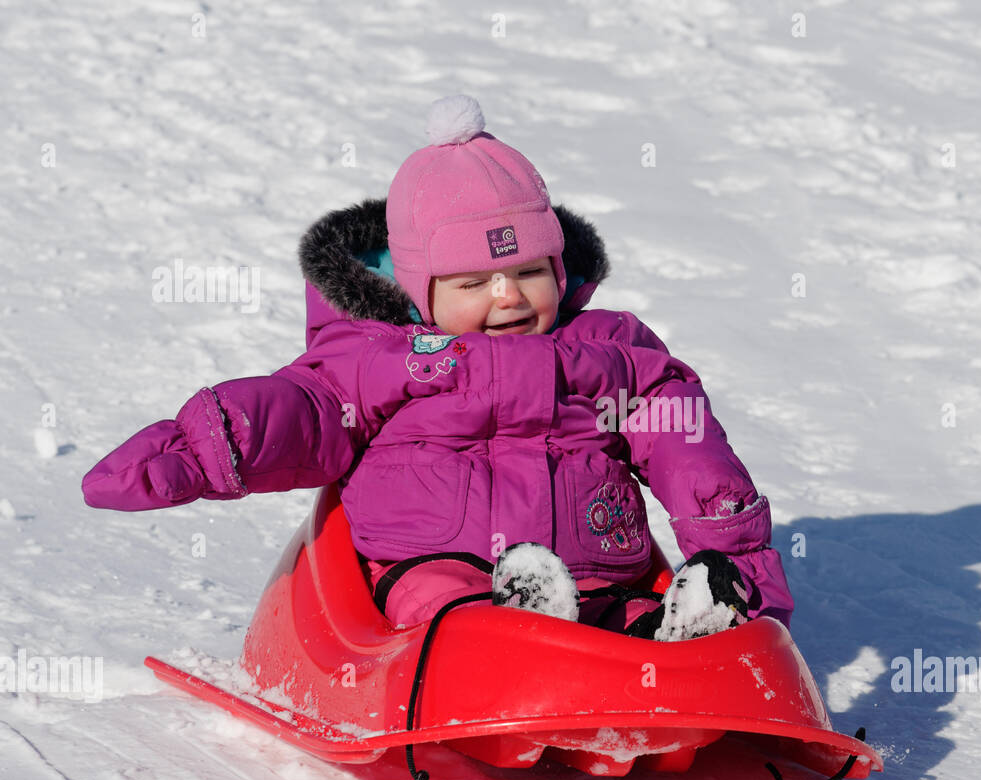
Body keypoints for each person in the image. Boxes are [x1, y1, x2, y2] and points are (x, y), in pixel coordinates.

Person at [82, 95, 793, 642]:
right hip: (434, 567)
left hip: (599, 565)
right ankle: (515, 634)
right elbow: (300, 411)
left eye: (528, 270)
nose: (507, 295)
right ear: (421, 294)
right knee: (443, 606)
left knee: (629, 605)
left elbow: (690, 450)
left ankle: (677, 638)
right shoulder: (374, 359)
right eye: (472, 282)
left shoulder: (610, 351)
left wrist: (741, 562)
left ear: (558, 263)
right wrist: (205, 445)